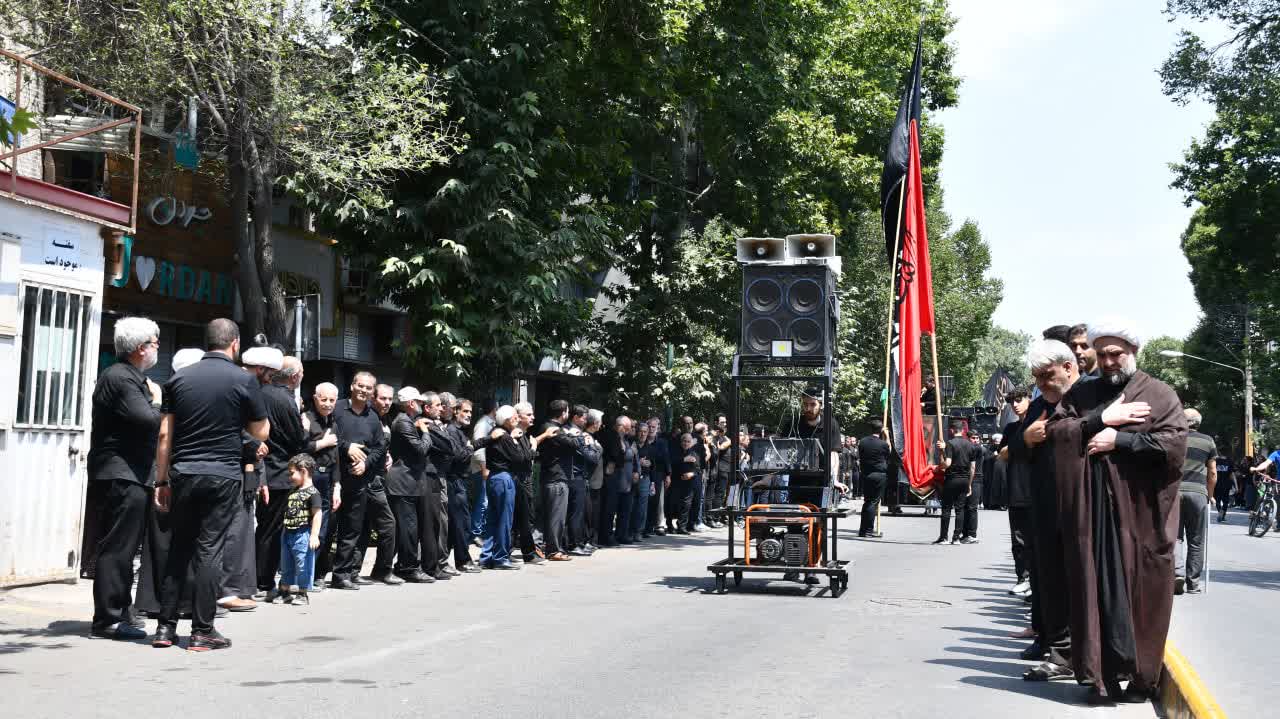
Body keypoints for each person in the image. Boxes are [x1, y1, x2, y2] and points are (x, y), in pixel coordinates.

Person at [1046, 318, 1188, 703]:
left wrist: (1120, 439)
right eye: (1102, 353)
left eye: (1116, 353)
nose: (1108, 361)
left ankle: (1141, 681)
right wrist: (1099, 421)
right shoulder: (1082, 393)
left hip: (1141, 518)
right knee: (1094, 591)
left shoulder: (1159, 394)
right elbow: (1057, 433)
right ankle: (1100, 679)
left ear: (1133, 353)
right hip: (1092, 518)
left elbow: (1174, 446)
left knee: (1145, 594)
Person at [152, 318, 270, 651]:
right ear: (234, 344)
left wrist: (161, 479)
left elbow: (165, 435)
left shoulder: (178, 379)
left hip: (183, 472)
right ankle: (203, 630)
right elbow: (260, 433)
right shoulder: (245, 380)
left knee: (179, 548)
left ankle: (165, 628)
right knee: (209, 551)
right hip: (223, 475)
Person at [86, 316, 162, 640]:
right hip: (120, 475)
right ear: (140, 348)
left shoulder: (131, 377)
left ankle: (121, 609)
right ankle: (109, 618)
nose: (158, 347)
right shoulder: (120, 378)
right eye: (155, 342)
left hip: (132, 473)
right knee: (117, 548)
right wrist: (160, 404)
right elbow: (147, 419)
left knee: (125, 548)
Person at [1009, 340, 1079, 678]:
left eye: (1046, 376)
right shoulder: (1039, 406)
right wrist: (1027, 439)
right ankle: (1060, 653)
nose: (1041, 384)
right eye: (1036, 377)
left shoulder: (1091, 399)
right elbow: (1012, 451)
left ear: (1068, 368)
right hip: (1047, 510)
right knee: (1050, 583)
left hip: (1085, 509)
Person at [328, 371, 392, 590]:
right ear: (353, 386)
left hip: (359, 479)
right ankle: (317, 572)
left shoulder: (373, 417)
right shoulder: (336, 409)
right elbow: (324, 436)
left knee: (351, 529)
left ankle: (342, 575)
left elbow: (379, 447)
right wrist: (347, 447)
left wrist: (365, 464)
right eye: (361, 386)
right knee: (327, 527)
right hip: (333, 477)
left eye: (368, 388)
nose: (364, 390)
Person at [255, 356, 310, 598]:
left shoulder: (262, 392)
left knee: (265, 528)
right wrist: (305, 426)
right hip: (279, 471)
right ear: (294, 376)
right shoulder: (285, 400)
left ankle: (261, 577)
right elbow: (299, 440)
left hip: (266, 470)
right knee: (274, 530)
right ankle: (264, 580)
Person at [475, 405, 534, 569]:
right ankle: (501, 556)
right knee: (504, 520)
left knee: (493, 519)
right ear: (508, 420)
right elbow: (520, 457)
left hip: (494, 477)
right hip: (504, 478)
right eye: (515, 417)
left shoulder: (495, 432)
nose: (517, 419)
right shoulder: (505, 436)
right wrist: (515, 440)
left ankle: (487, 556)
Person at [385, 387, 435, 583]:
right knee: (408, 529)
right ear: (410, 404)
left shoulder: (407, 421)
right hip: (403, 483)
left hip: (410, 483)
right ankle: (407, 567)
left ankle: (405, 565)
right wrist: (424, 432)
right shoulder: (404, 423)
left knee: (410, 528)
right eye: (420, 402)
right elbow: (421, 449)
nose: (422, 405)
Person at [358, 383, 403, 585]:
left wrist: (388, 456)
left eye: (389, 399)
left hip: (378, 477)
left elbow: (382, 446)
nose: (386, 403)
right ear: (373, 398)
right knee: (387, 524)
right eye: (382, 398)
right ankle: (382, 570)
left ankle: (357, 571)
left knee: (367, 525)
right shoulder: (368, 417)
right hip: (367, 478)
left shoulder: (384, 418)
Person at [1175, 408, 1216, 595]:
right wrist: (1210, 494)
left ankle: (1176, 574)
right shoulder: (1208, 441)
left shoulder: (1174, 437)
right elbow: (1213, 473)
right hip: (1198, 493)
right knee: (1196, 540)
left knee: (1175, 537)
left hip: (1175, 492)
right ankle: (1193, 583)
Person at [303, 383, 340, 588]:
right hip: (310, 477)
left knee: (323, 529)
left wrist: (338, 485)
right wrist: (322, 443)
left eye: (332, 400)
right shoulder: (306, 419)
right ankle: (302, 575)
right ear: (315, 398)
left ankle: (316, 573)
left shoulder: (333, 422)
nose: (327, 404)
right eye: (323, 399)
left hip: (327, 479)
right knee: (307, 528)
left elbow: (335, 458)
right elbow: (300, 447)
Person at [273, 454, 323, 605]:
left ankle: (302, 593)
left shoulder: (313, 493)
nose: (290, 476)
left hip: (302, 533)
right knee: (286, 564)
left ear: (303, 471)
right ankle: (284, 591)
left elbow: (317, 514)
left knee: (303, 564)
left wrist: (314, 535)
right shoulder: (294, 490)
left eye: (292, 472)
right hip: (288, 532)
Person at [998, 389, 1033, 598]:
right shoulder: (1011, 428)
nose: (1015, 404)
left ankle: (1034, 583)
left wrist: (1014, 449)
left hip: (1037, 489)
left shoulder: (1038, 423)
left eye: (1019, 400)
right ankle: (1022, 578)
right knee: (1018, 540)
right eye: (1012, 401)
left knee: (1035, 541)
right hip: (1016, 489)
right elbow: (1001, 454)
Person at [442, 396, 482, 573]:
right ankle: (463, 560)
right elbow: (459, 456)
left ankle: (445, 561)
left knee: (458, 523)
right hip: (453, 481)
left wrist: (470, 446)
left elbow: (464, 451)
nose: (468, 415)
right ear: (455, 411)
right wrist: (469, 448)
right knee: (461, 523)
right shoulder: (452, 430)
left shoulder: (460, 432)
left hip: (459, 481)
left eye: (470, 412)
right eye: (465, 411)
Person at [536, 400, 574, 560]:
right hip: (556, 477)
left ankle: (541, 545)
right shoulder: (554, 429)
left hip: (551, 476)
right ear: (563, 412)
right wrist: (574, 436)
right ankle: (553, 550)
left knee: (548, 514)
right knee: (556, 516)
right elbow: (573, 444)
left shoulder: (547, 427)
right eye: (567, 411)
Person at [511, 402, 546, 564]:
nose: (533, 417)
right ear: (518, 417)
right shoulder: (516, 434)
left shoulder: (524, 434)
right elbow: (523, 457)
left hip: (524, 480)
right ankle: (528, 553)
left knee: (523, 518)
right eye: (529, 415)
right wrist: (533, 448)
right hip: (518, 480)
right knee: (524, 518)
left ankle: (514, 550)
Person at [934, 422, 973, 545]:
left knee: (946, 509)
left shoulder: (951, 443)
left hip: (952, 479)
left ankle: (943, 537)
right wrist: (970, 484)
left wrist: (939, 466)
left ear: (952, 430)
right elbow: (972, 467)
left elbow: (948, 463)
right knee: (959, 509)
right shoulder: (970, 445)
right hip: (964, 480)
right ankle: (956, 538)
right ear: (963, 430)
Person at [565, 404, 596, 555]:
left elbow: (593, 455)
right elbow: (590, 456)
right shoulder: (571, 432)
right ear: (576, 417)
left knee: (580, 512)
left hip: (580, 475)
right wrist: (590, 446)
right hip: (574, 475)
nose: (586, 421)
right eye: (584, 418)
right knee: (575, 513)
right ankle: (574, 544)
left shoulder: (580, 433)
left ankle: (579, 541)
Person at [469, 398, 498, 546]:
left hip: (487, 467)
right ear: (494, 409)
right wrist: (484, 468)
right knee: (482, 501)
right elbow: (478, 448)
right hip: (481, 468)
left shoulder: (491, 423)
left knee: (486, 501)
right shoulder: (482, 424)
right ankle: (475, 533)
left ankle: (482, 531)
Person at [857, 419, 892, 538]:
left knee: (867, 502)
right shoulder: (882, 444)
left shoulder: (862, 441)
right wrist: (887, 436)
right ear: (881, 429)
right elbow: (889, 451)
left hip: (866, 474)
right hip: (878, 475)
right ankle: (868, 531)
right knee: (873, 503)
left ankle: (863, 530)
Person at [954, 430, 989, 543]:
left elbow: (982, 450)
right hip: (965, 478)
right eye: (973, 438)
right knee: (964, 507)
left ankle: (972, 535)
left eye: (977, 438)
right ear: (968, 438)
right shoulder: (968, 447)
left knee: (972, 508)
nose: (976, 440)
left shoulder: (978, 448)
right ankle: (965, 534)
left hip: (976, 480)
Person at [645, 417, 670, 537]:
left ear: (657, 428)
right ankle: (644, 527)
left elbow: (666, 459)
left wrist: (668, 475)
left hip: (658, 474)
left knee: (656, 501)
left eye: (653, 427)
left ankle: (654, 526)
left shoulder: (662, 442)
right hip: (644, 474)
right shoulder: (642, 441)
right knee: (645, 501)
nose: (650, 429)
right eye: (649, 426)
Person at [1213, 451, 1235, 523]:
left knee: (1217, 499)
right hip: (1226, 484)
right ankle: (1223, 514)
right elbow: (1231, 475)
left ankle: (1220, 511)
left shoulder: (1216, 460)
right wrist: (1236, 485)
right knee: (1226, 500)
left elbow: (1212, 472)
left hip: (1217, 483)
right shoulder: (1230, 461)